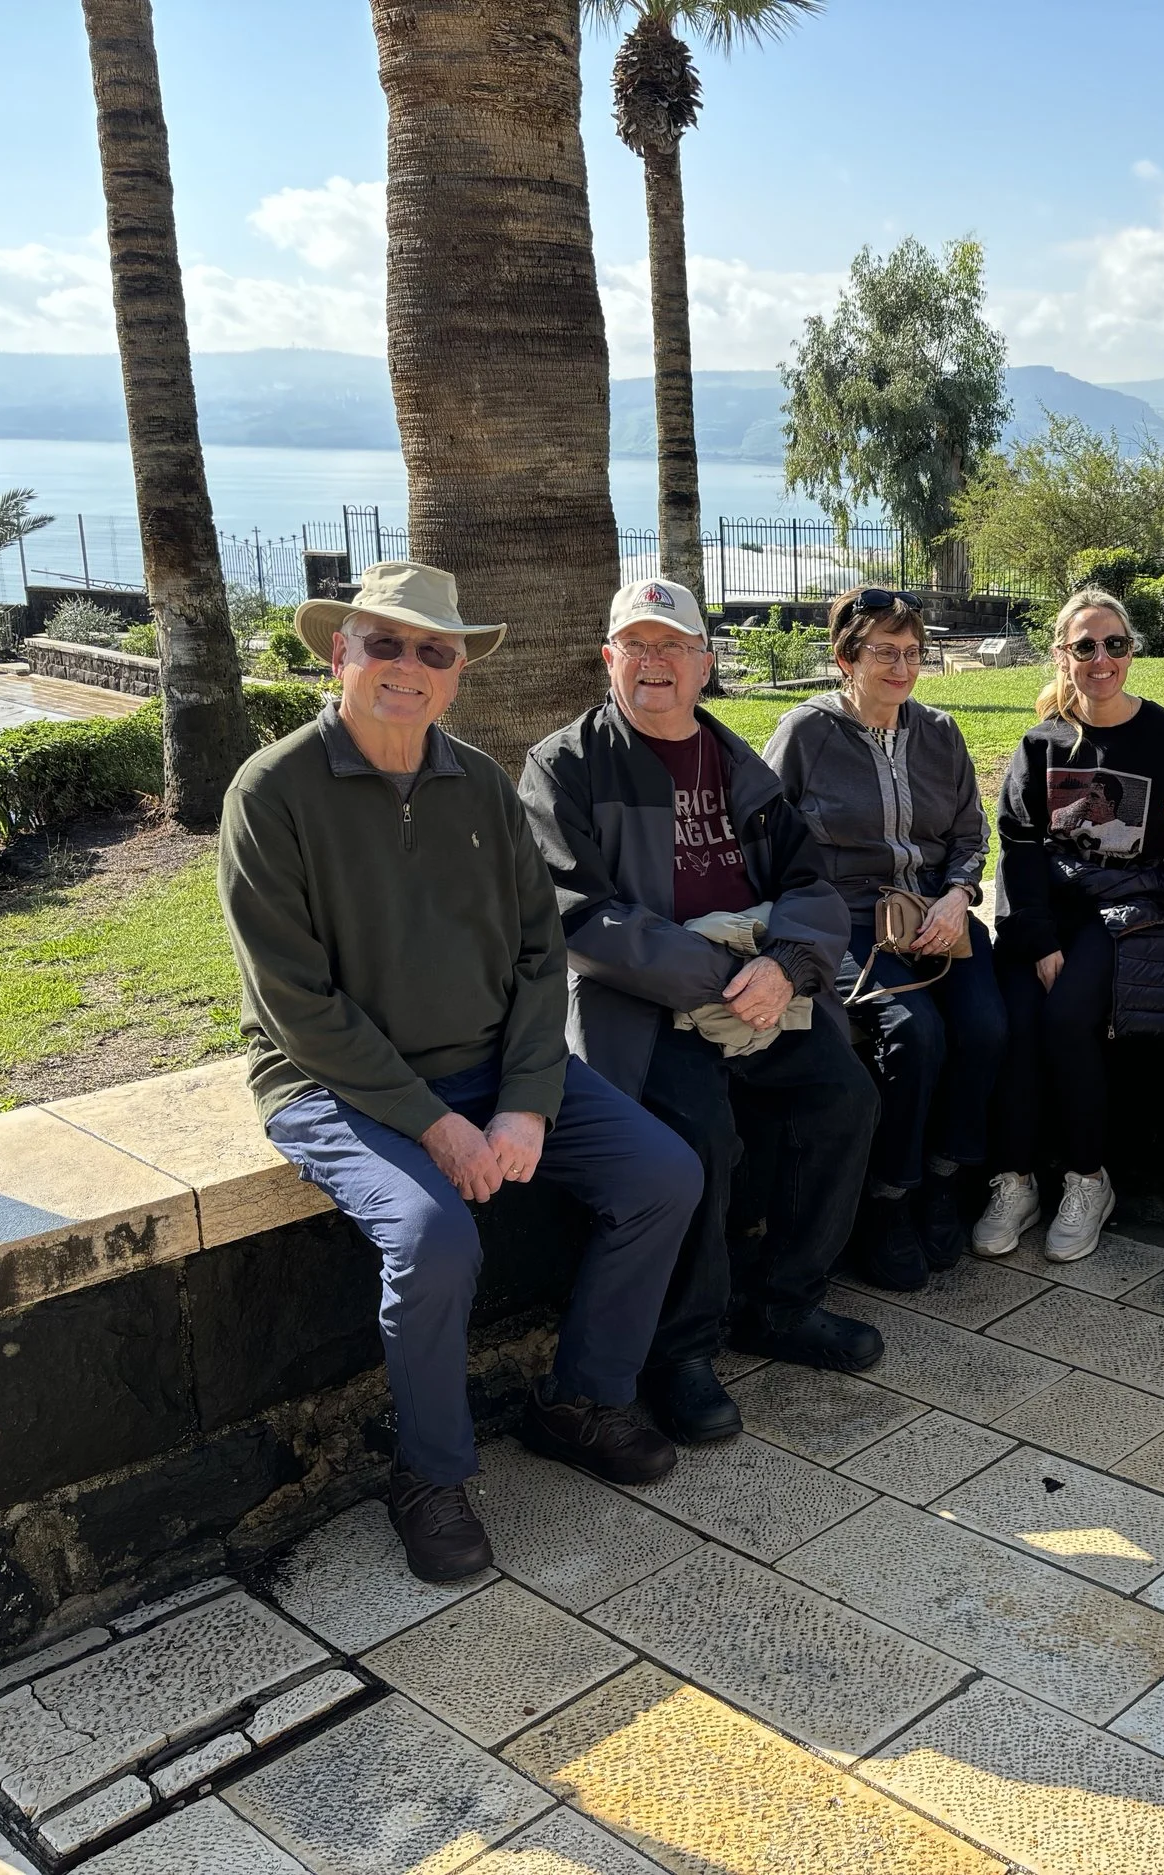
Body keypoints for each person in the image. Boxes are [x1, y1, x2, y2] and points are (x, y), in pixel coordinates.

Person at [221, 560, 699, 1584]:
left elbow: (539, 957)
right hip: (335, 1087)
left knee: (662, 1175)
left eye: (432, 650)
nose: (407, 666)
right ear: (339, 652)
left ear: (456, 673)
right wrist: (435, 1127)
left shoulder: (481, 784)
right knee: (435, 1240)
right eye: (383, 643)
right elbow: (296, 1003)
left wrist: (526, 1103)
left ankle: (580, 1399)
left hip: (493, 1068)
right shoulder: (272, 793)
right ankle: (430, 1476)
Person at [520, 578, 881, 1450]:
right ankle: (679, 1352)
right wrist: (726, 976)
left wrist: (789, 966)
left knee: (845, 1097)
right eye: (635, 646)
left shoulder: (736, 762)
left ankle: (783, 1304)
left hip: (760, 992)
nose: (654, 663)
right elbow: (580, 915)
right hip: (642, 1010)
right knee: (697, 1136)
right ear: (609, 660)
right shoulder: (563, 766)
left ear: (704, 665)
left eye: (673, 645)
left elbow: (809, 885)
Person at [764, 587, 1005, 1286]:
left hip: (939, 914)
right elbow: (770, 841)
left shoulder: (940, 731)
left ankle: (939, 1177)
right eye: (884, 653)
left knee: (988, 1027)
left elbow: (968, 832)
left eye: (913, 653)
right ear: (846, 659)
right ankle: (887, 1201)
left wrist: (958, 896)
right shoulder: (805, 733)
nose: (902, 668)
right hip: (846, 921)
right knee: (915, 1032)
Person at [976, 588, 1164, 1264]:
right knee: (1015, 1015)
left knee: (1064, 1019)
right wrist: (1040, 938)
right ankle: (1016, 1180)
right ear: (1062, 655)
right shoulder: (1040, 743)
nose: (1101, 658)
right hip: (1047, 912)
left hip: (1128, 913)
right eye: (1085, 646)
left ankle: (1088, 1178)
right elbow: (1017, 845)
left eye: (1114, 643)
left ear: (1132, 650)